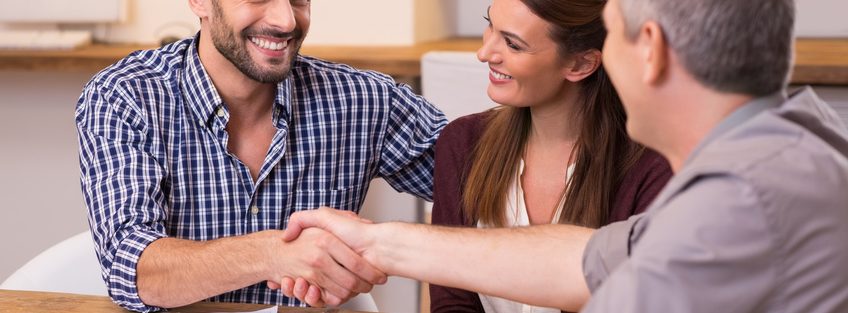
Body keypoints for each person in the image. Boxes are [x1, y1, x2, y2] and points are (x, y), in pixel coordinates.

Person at [279, 0, 848, 311]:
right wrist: (376, 242)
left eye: (613, 31)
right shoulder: (792, 150)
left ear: (646, 50)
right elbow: (584, 260)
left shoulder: (735, 210)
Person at [74, 0, 446, 311]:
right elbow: (133, 269)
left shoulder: (363, 102)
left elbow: (490, 185)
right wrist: (276, 253)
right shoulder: (125, 97)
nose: (286, 20)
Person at [428, 0, 671, 311]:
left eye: (512, 44)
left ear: (581, 64)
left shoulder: (651, 166)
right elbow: (452, 301)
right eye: (490, 25)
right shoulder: (463, 143)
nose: (485, 52)